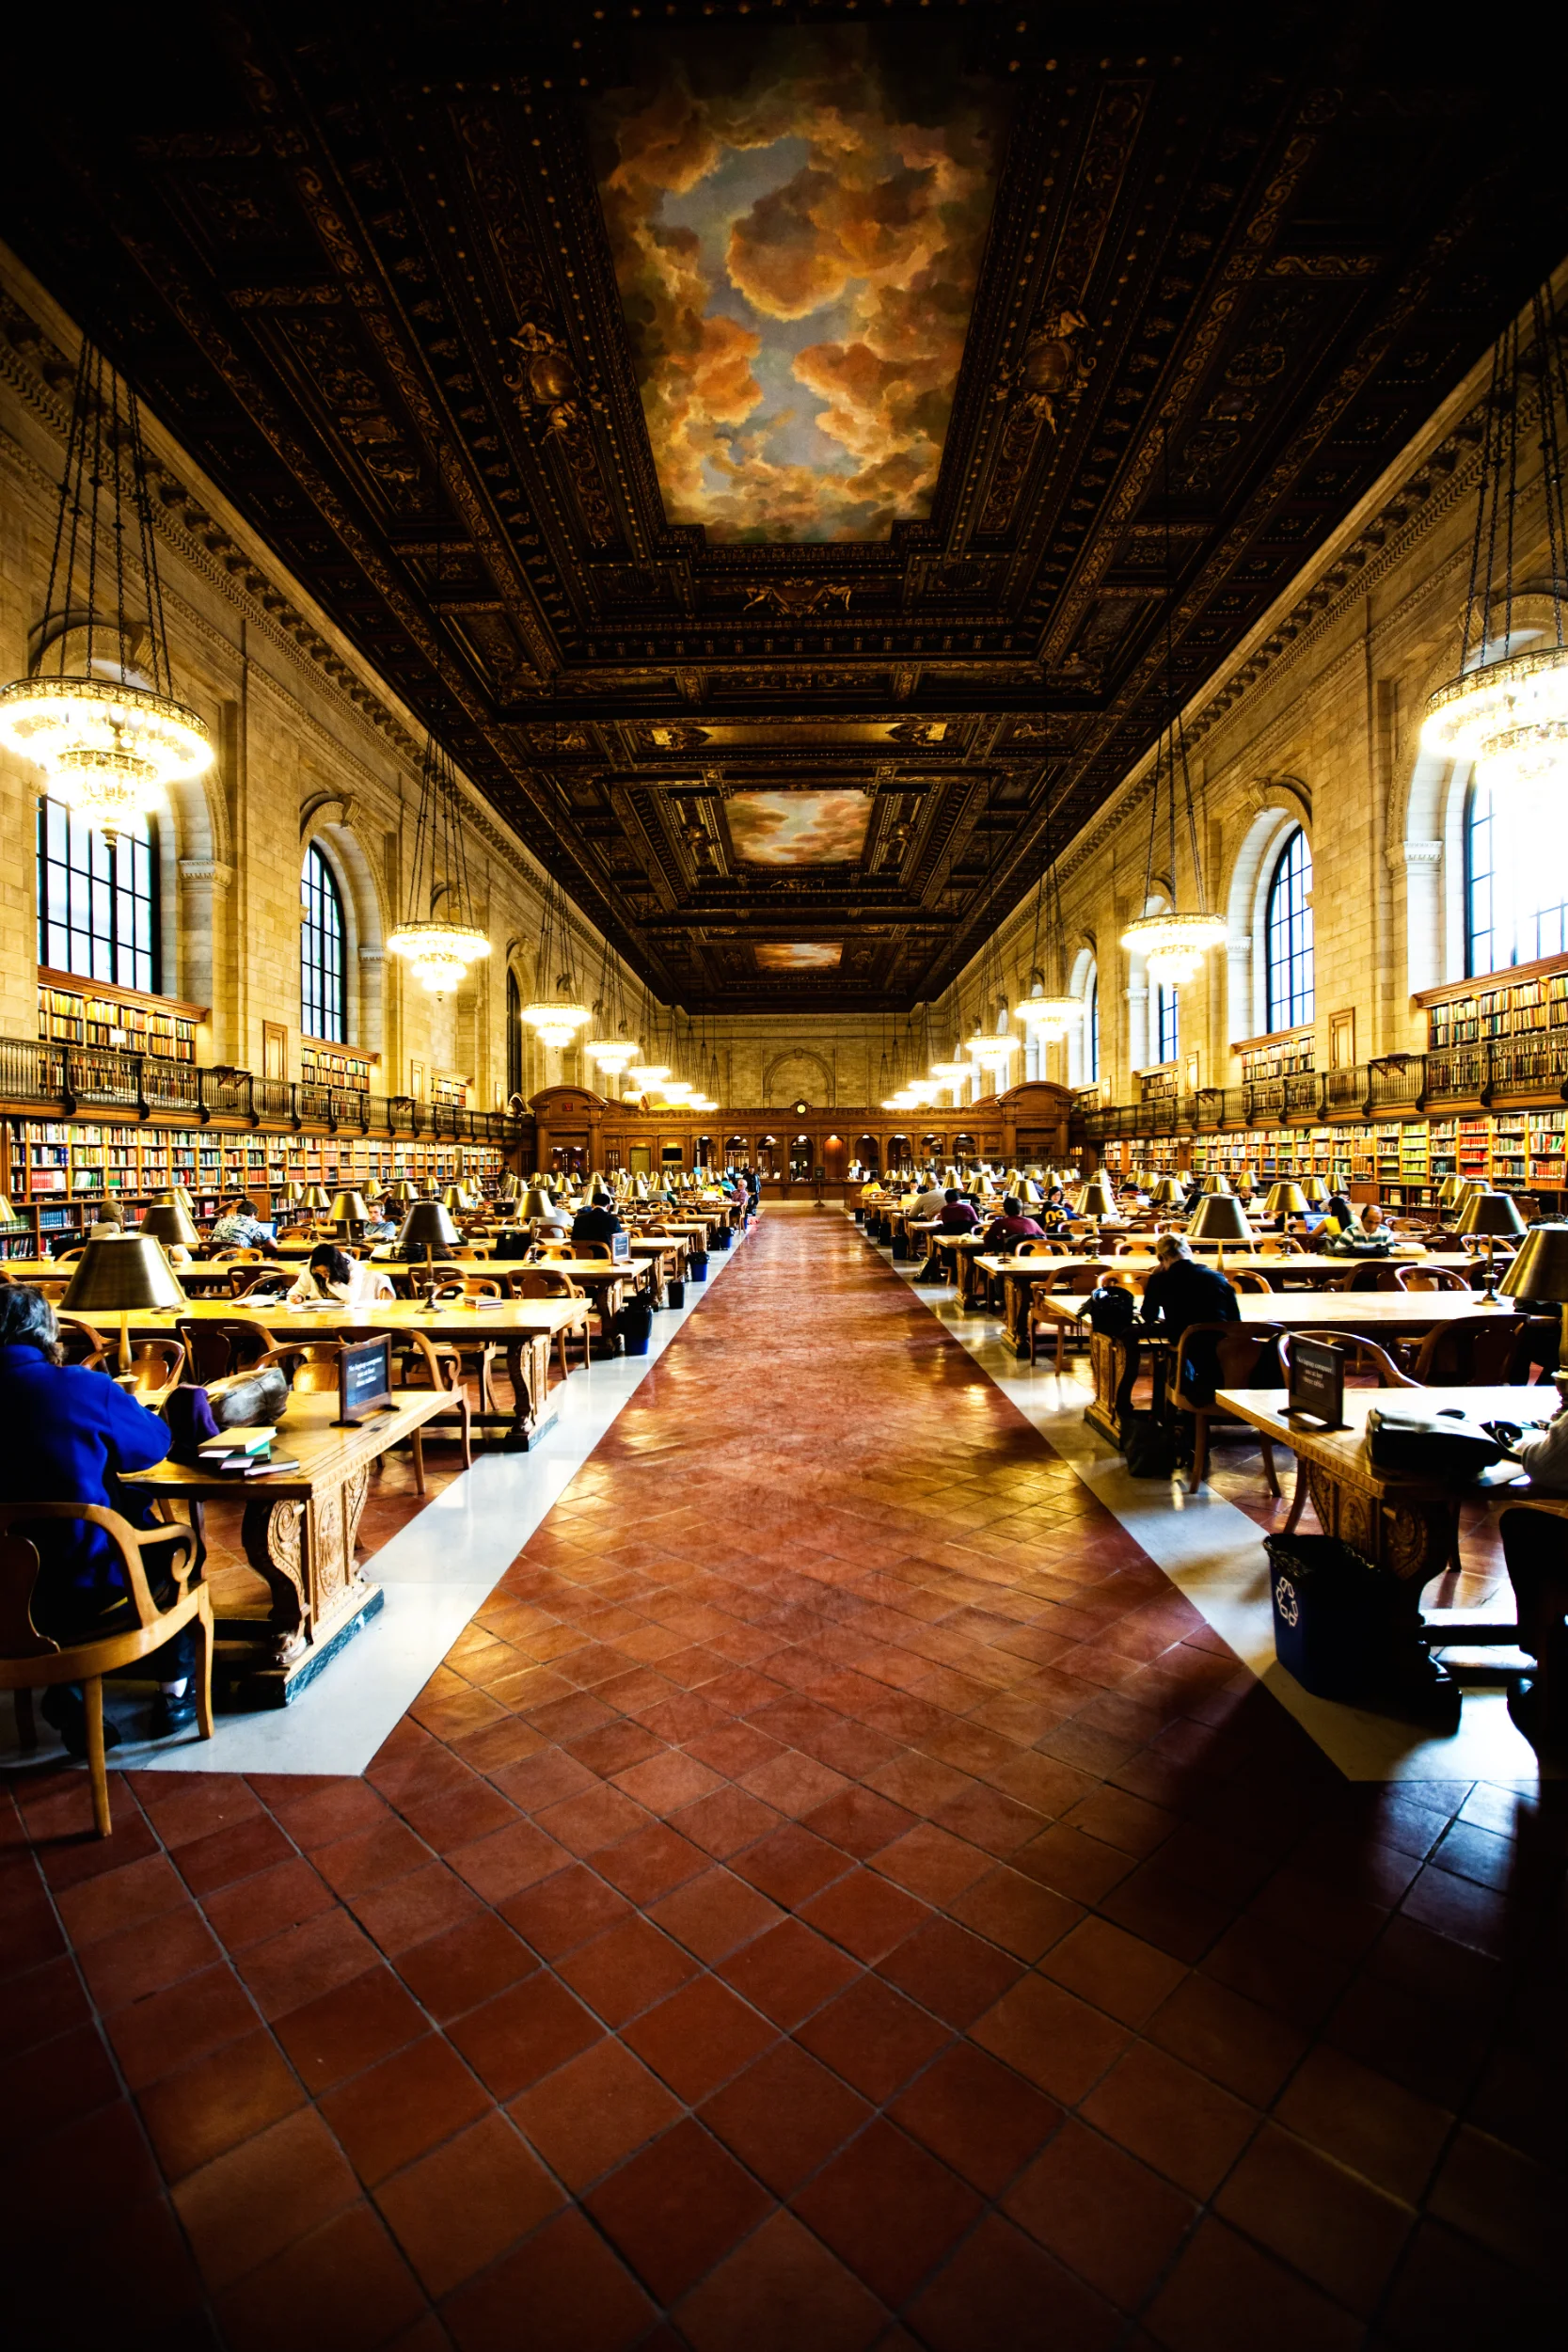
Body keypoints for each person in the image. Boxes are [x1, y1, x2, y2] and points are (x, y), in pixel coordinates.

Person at [0, 1283, 191, 1751]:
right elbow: (151, 1445)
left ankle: (66, 1693)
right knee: (178, 1550)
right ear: (46, 1333)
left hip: (4, 1590)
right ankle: (174, 1692)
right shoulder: (80, 1386)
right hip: (87, 1577)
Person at [1139, 1233, 1240, 1406]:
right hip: (1223, 1346)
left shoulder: (1161, 1279)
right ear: (1189, 1252)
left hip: (1187, 1344)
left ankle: (1164, 1409)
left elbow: (1149, 1315)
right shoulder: (1216, 1277)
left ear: (1161, 1258)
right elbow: (1235, 1319)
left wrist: (1154, 1278)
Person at [288, 1244, 356, 1303]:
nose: (323, 1275)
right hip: (319, 1312)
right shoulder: (312, 1267)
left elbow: (352, 1297)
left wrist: (333, 1281)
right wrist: (299, 1297)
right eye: (319, 1271)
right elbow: (298, 1289)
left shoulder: (351, 1266)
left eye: (326, 1271)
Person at [211, 1196, 277, 1254]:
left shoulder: (222, 1221)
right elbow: (273, 1245)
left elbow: (211, 1240)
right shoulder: (252, 1223)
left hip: (215, 1260)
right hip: (238, 1261)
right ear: (252, 1214)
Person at [981, 1195, 1045, 1251]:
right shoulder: (1032, 1222)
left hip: (1007, 1259)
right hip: (1032, 1258)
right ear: (1020, 1211)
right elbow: (1044, 1238)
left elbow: (988, 1241)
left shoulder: (999, 1223)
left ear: (1005, 1210)